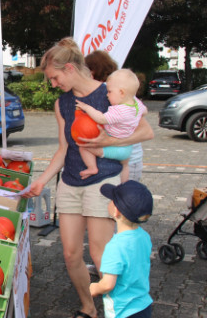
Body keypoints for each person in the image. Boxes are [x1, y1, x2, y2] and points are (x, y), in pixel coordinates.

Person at [22, 37, 153, 318]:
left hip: (102, 181)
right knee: (70, 254)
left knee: (100, 255)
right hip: (70, 182)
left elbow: (146, 132)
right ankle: (89, 307)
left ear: (69, 68)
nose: (53, 84)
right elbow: (63, 148)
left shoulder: (112, 93)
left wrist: (107, 142)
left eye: (55, 78)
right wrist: (42, 181)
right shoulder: (62, 105)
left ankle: (117, 310)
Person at [91, 181, 153, 318]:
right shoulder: (144, 236)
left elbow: (107, 284)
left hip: (123, 311)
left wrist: (94, 288)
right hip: (143, 305)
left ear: (116, 211)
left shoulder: (115, 246)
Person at [75, 69, 148, 182]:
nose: (107, 95)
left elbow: (101, 118)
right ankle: (123, 186)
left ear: (121, 93)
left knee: (84, 147)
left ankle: (92, 168)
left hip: (116, 147)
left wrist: (87, 108)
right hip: (127, 147)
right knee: (124, 166)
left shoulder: (119, 111)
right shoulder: (136, 105)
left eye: (109, 91)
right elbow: (145, 111)